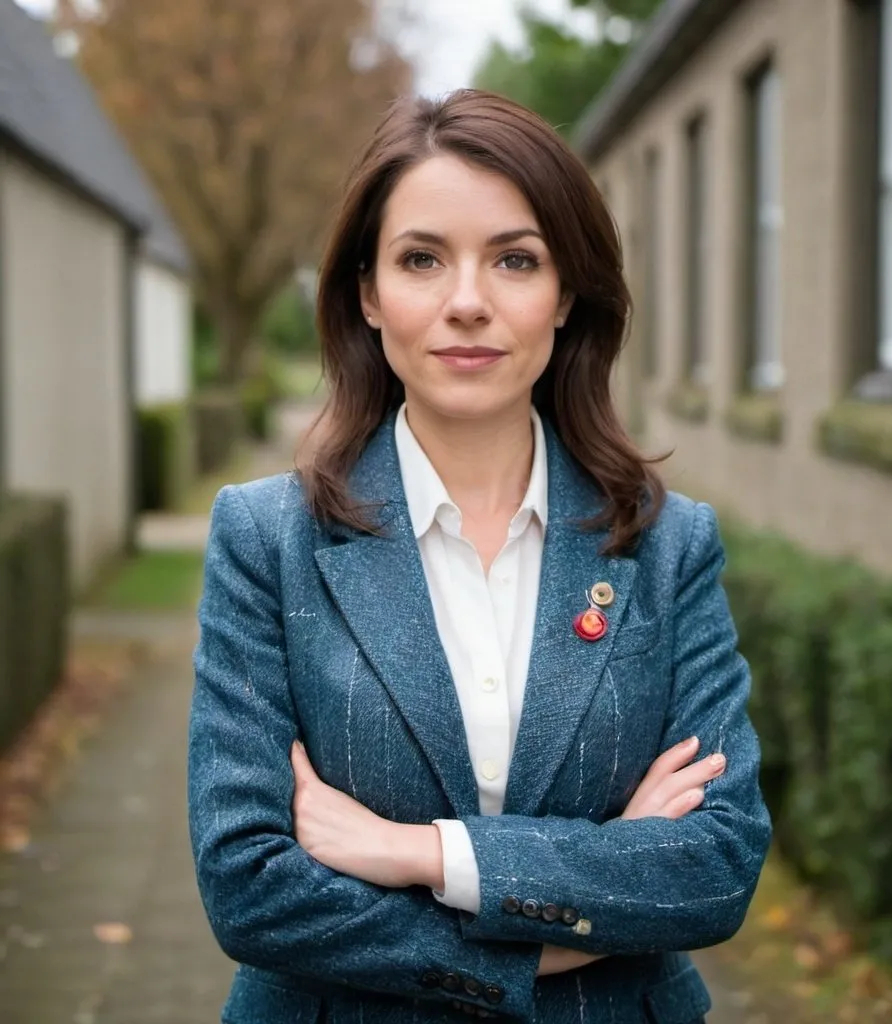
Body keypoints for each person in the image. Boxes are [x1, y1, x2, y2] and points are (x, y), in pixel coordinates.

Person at [188, 88, 771, 1024]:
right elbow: (251, 887)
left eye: (514, 259)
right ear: (368, 295)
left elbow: (714, 866)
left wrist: (424, 854)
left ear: (566, 293)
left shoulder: (667, 547)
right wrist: (567, 920)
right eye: (422, 259)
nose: (468, 302)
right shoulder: (268, 540)